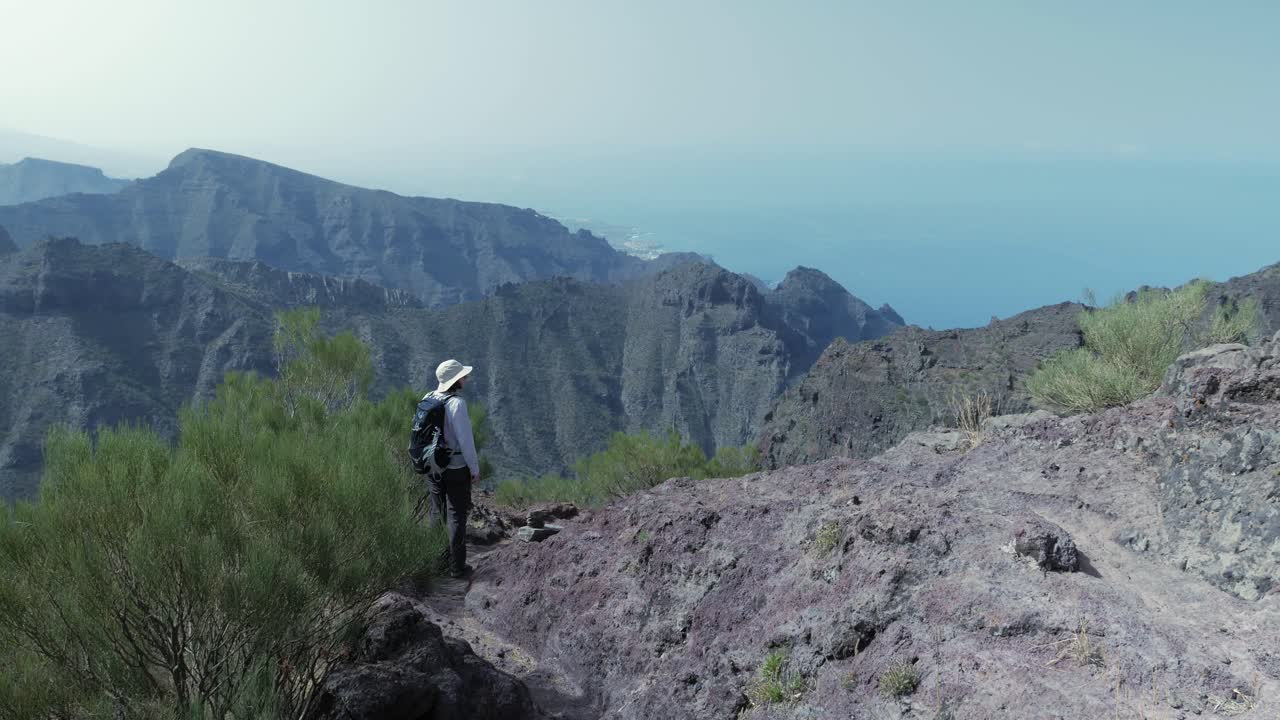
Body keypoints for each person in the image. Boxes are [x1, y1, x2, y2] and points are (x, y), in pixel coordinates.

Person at [426, 359, 480, 579]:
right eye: (463, 376)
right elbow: (465, 440)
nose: (465, 379)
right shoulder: (457, 404)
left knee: (436, 513)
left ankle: (435, 563)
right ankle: (457, 567)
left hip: (432, 466)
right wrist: (474, 469)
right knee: (456, 515)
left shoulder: (428, 398)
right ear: (456, 380)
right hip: (455, 467)